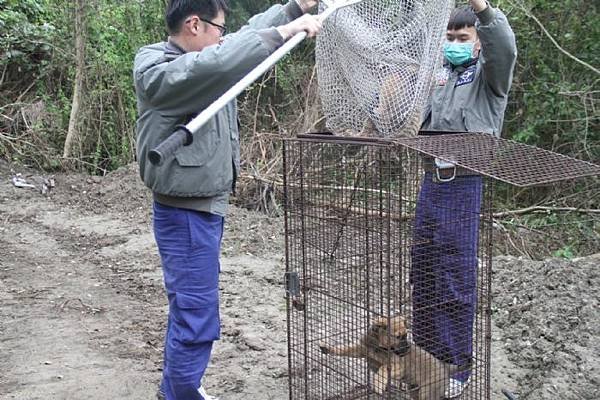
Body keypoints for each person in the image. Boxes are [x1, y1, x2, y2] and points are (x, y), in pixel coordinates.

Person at [133, 1, 321, 399]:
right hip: (186, 213)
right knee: (197, 313)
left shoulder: (208, 53)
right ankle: (181, 393)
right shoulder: (156, 66)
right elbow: (218, 62)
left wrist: (292, 10)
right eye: (219, 28)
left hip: (204, 208)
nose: (224, 36)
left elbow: (235, 42)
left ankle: (178, 390)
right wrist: (282, 34)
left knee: (189, 308)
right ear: (194, 24)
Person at [411, 0, 517, 398]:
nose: (454, 44)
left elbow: (503, 47)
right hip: (430, 183)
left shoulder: (489, 77)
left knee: (455, 276)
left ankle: (458, 364)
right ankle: (423, 357)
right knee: (424, 270)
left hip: (464, 184)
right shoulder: (438, 78)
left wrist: (484, 11)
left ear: (477, 42)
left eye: (463, 37)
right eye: (449, 37)